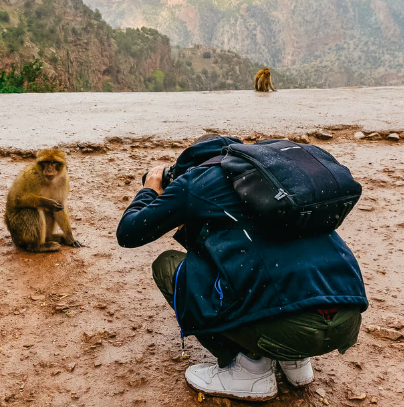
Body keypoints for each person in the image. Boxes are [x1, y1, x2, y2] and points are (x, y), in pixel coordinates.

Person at [116, 135, 368, 402]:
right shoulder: (275, 181)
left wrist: (152, 188)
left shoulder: (197, 180)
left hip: (290, 330)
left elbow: (129, 233)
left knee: (169, 266)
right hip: (346, 319)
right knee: (286, 259)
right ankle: (295, 363)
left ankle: (251, 369)